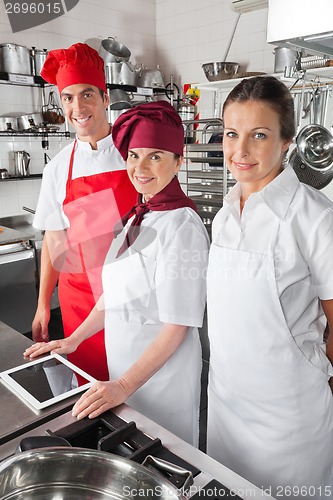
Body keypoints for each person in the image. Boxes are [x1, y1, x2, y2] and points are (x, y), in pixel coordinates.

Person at [25, 100, 210, 446]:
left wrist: (124, 384)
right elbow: (114, 295)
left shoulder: (182, 226)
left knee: (166, 466)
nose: (141, 167)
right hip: (124, 379)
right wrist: (73, 339)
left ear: (178, 161)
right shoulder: (137, 218)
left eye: (155, 156)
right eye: (134, 155)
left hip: (162, 384)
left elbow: (178, 328)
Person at [206, 75, 333, 498]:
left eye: (258, 135)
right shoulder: (224, 214)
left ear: (286, 143)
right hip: (226, 405)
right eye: (231, 134)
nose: (239, 151)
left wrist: (323, 381)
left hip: (289, 417)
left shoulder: (313, 216)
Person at [32, 43, 137, 383]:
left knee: (135, 388)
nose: (78, 107)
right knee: (89, 389)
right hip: (80, 301)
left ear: (106, 98)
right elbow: (53, 239)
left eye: (87, 94)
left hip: (131, 295)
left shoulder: (134, 155)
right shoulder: (58, 168)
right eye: (68, 97)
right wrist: (43, 304)